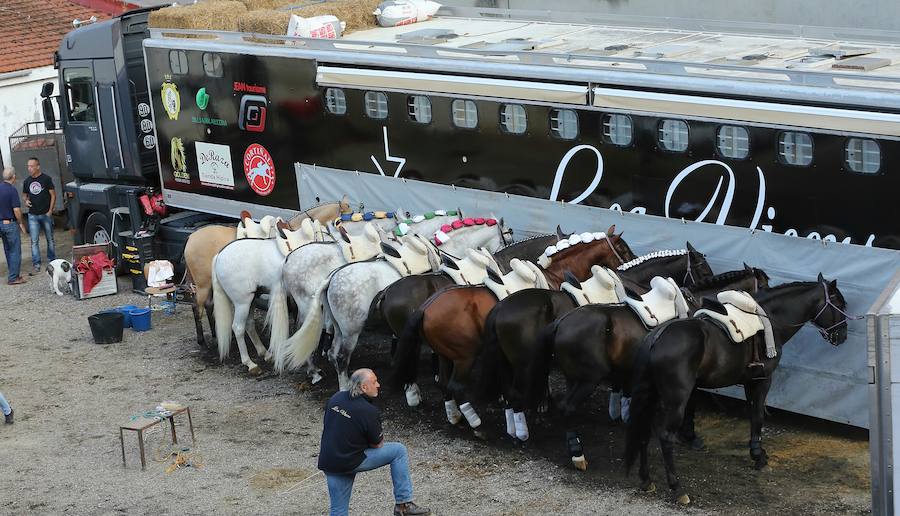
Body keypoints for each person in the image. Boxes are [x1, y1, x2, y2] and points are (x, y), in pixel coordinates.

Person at [319, 368, 430, 516]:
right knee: (398, 451)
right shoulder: (369, 411)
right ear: (363, 387)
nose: (378, 385)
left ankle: (404, 506)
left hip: (330, 462)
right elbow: (377, 444)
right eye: (374, 382)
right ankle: (404, 505)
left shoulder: (336, 398)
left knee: (338, 510)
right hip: (351, 460)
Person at [22, 156, 56, 275]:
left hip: (46, 214)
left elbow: (53, 195)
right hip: (32, 215)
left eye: (31, 166)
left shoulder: (46, 179)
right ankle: (36, 263)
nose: (29, 168)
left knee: (50, 239)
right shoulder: (27, 181)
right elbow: (24, 195)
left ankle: (52, 260)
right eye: (28, 166)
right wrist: (25, 201)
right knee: (34, 241)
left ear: (38, 166)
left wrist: (50, 210)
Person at [0, 166, 26, 285]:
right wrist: (20, 223)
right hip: (10, 223)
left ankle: (13, 273)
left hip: (1, 224)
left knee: (7, 249)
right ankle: (13, 277)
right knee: (15, 250)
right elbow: (16, 210)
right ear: (13, 177)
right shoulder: (12, 190)